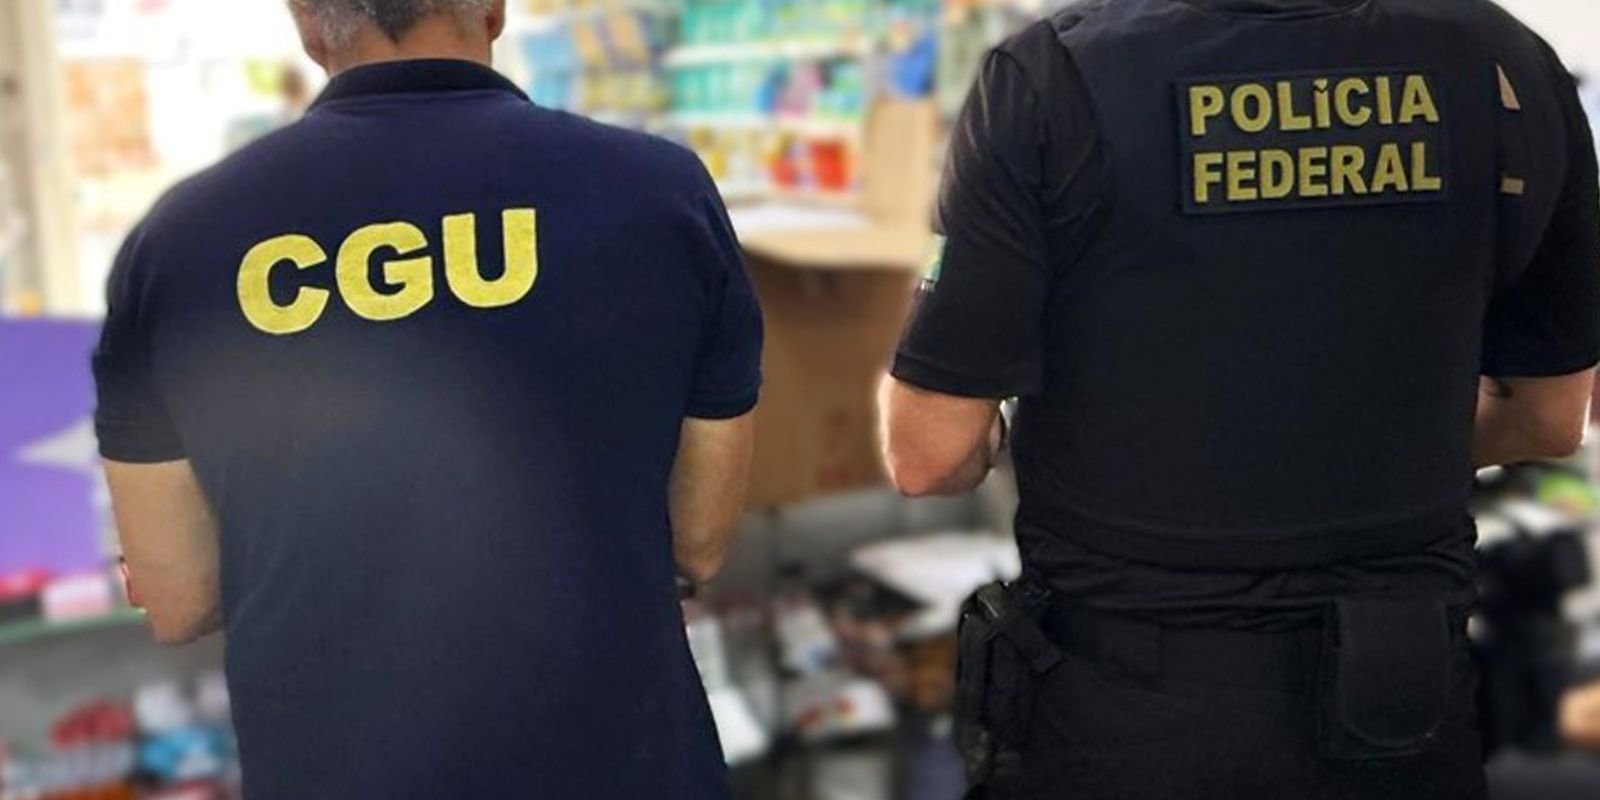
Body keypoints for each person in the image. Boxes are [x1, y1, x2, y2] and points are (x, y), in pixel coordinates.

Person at [880, 1, 1599, 798]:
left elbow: (929, 454)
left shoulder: (1052, 76)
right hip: (1399, 711)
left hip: (1124, 719)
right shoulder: (1508, 62)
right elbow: (1550, 419)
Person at [92, 1, 762, 796]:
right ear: (493, 9)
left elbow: (177, 596)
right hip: (621, 763)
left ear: (308, 22)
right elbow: (699, 541)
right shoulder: (659, 193)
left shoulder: (178, 243)